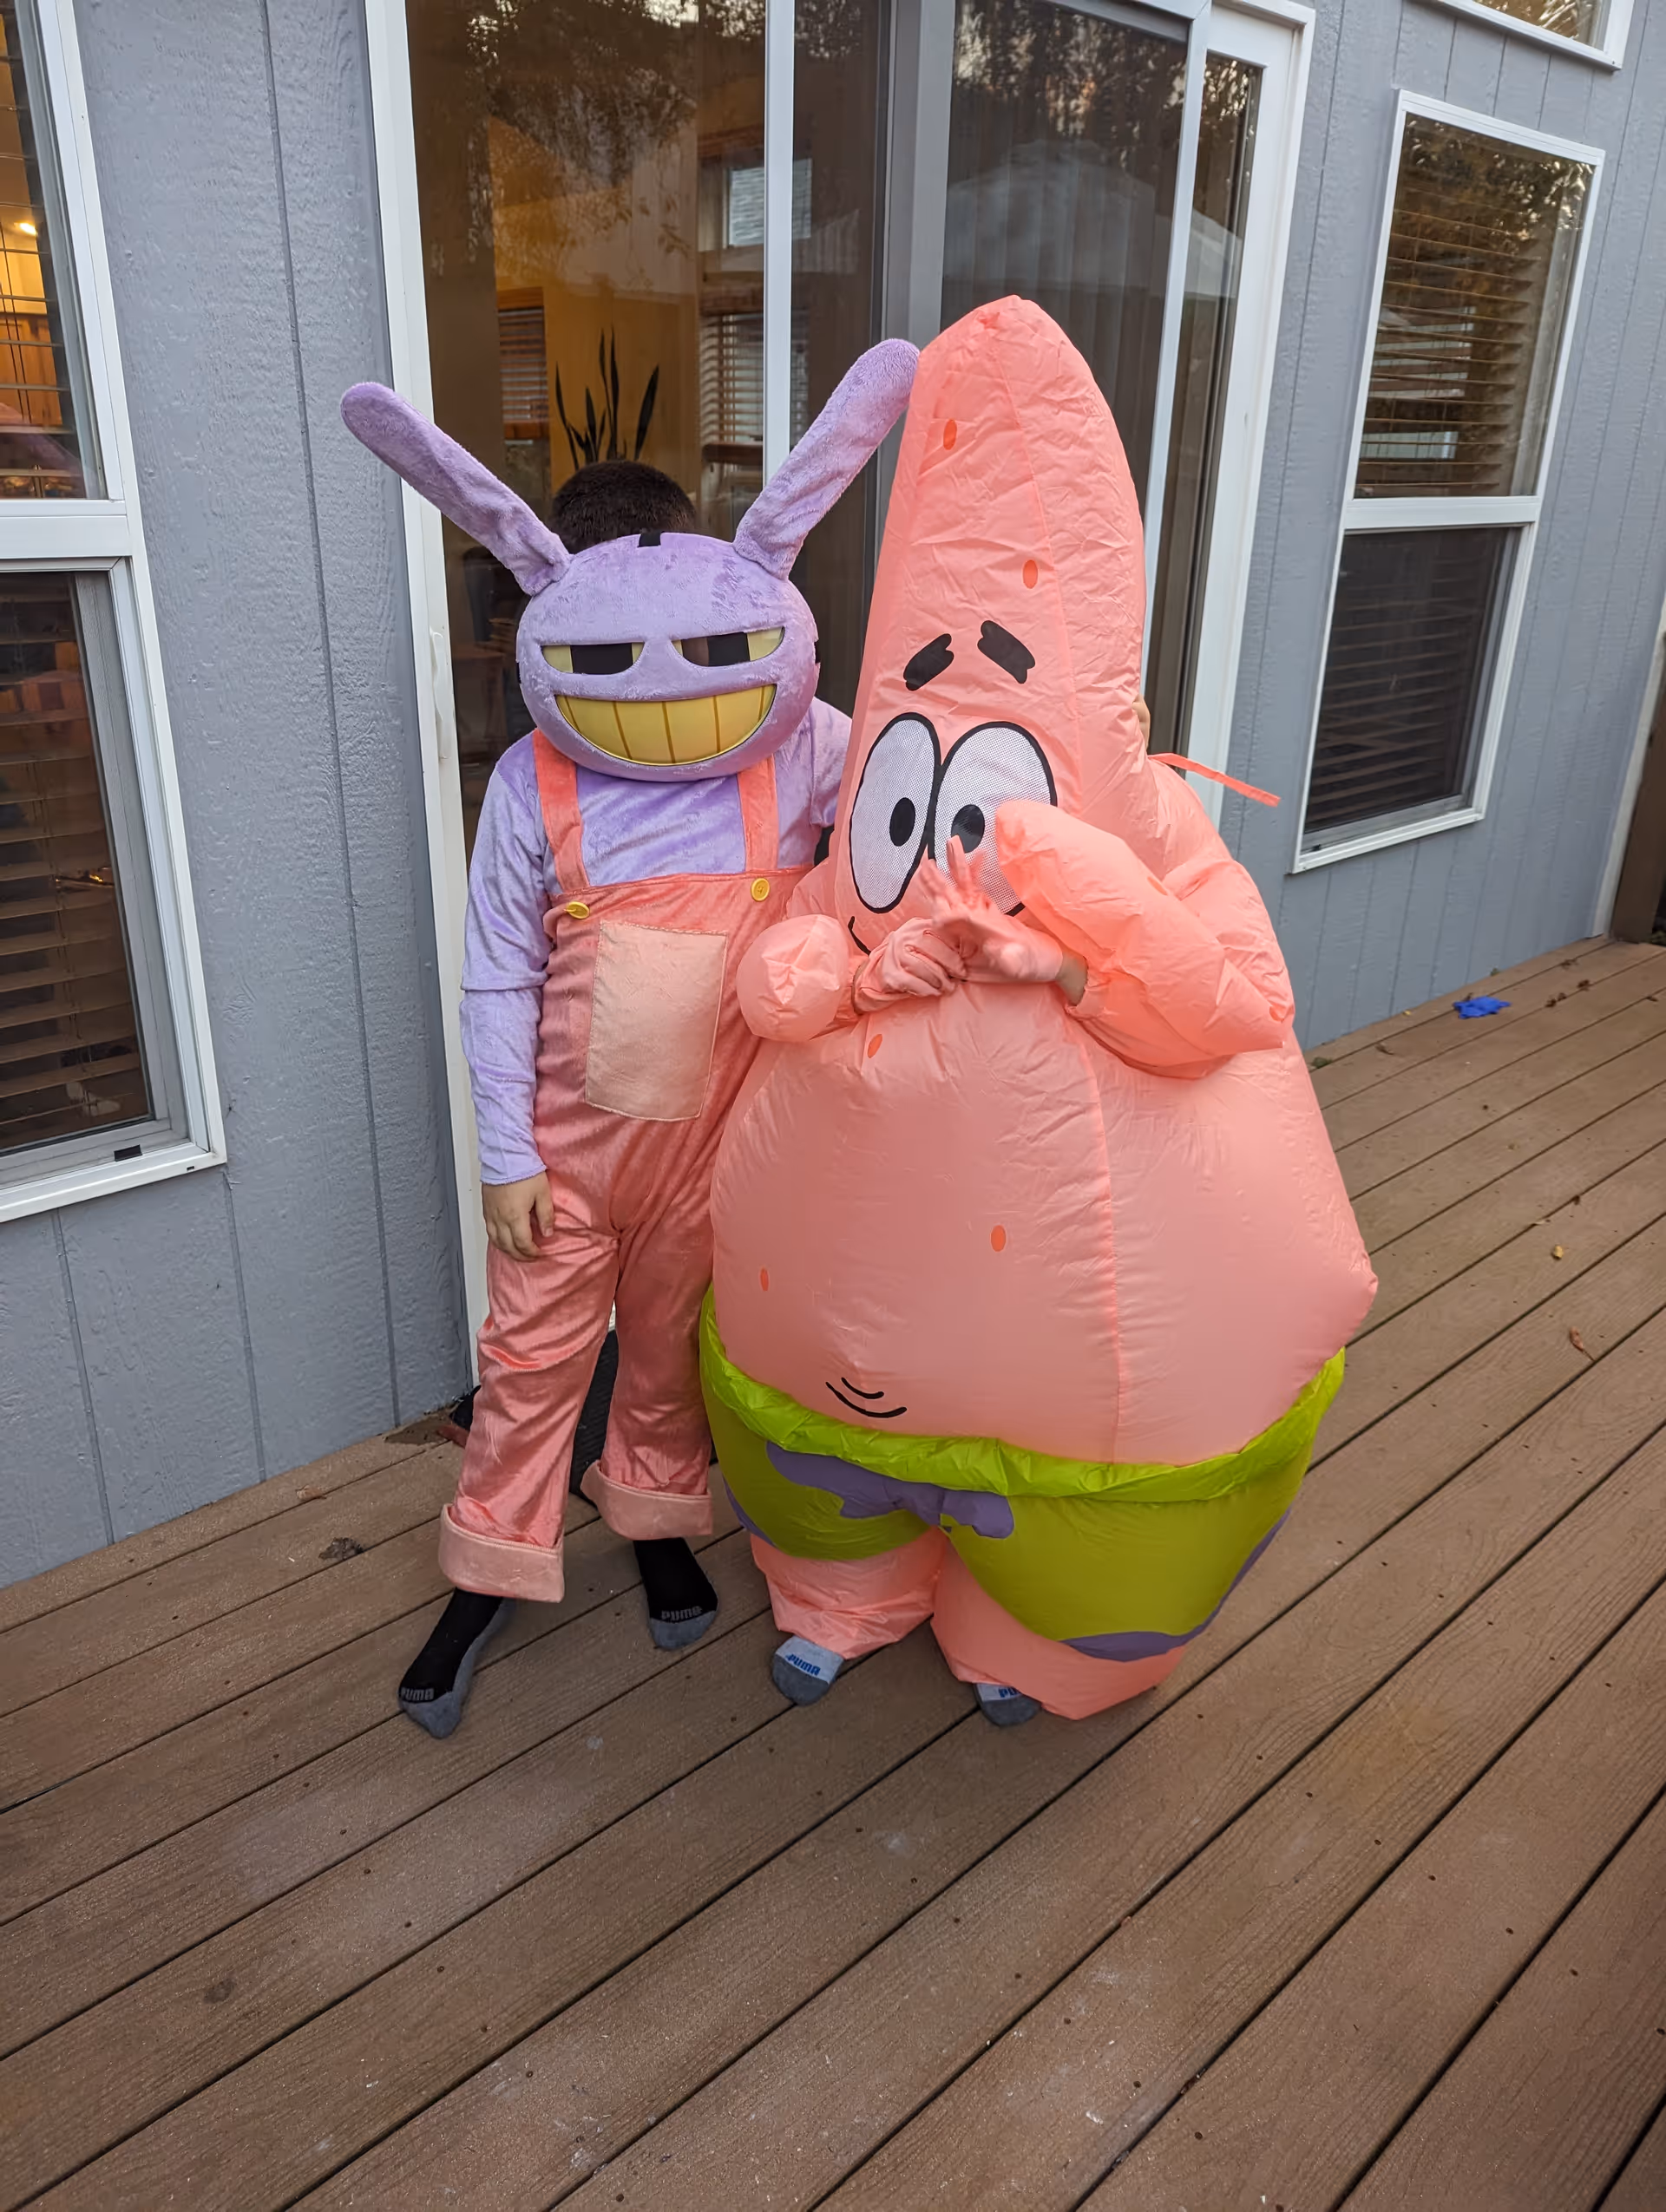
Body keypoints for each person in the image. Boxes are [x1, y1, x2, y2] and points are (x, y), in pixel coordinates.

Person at [699, 298, 1376, 1724]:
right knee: (826, 1470)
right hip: (823, 1314)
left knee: (1084, 1512)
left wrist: (1070, 942)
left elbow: (1235, 1006)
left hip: (1090, 1356)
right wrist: (858, 969)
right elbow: (773, 972)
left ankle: (1042, 1636)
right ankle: (843, 1589)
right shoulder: (859, 829)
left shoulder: (1154, 829)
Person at [340, 338, 917, 1734]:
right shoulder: (533, 780)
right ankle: (487, 1565)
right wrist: (502, 1156)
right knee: (533, 1362)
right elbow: (493, 976)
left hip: (717, 1155)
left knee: (664, 1351)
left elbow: (915, 783)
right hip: (568, 1156)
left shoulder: (803, 745)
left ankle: (654, 1519)